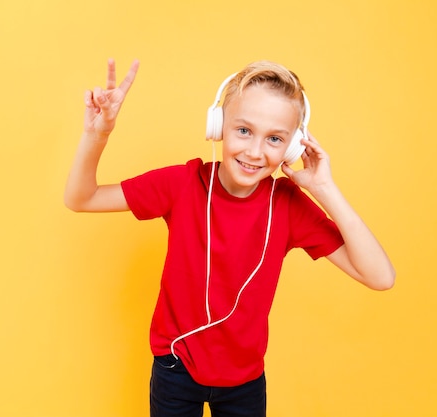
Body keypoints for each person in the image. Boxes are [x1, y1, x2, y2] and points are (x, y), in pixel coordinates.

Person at [64, 58, 395, 417]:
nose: (255, 151)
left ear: (293, 147)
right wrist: (97, 135)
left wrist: (324, 188)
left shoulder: (288, 206)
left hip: (244, 382)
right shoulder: (181, 185)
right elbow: (81, 198)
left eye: (274, 139)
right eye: (243, 131)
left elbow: (380, 277)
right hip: (176, 367)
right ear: (218, 126)